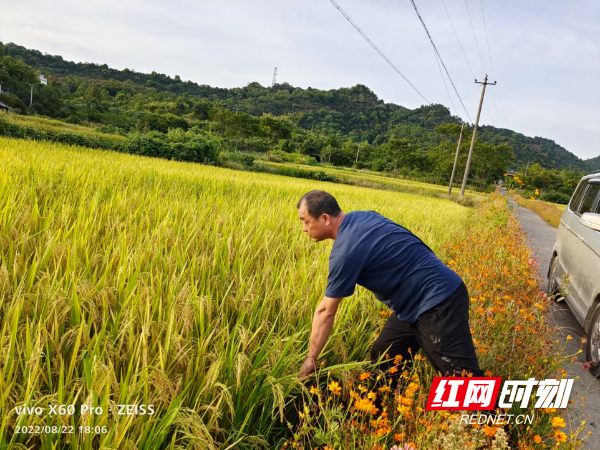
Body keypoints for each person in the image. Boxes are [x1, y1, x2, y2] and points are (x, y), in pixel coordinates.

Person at [296, 190, 484, 380]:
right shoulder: (364, 216)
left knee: (461, 377)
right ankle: (382, 406)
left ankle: (490, 410)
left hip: (439, 301)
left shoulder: (345, 253)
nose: (304, 228)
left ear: (325, 218)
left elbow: (326, 311)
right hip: (415, 301)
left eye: (305, 221)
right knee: (385, 357)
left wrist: (311, 357)